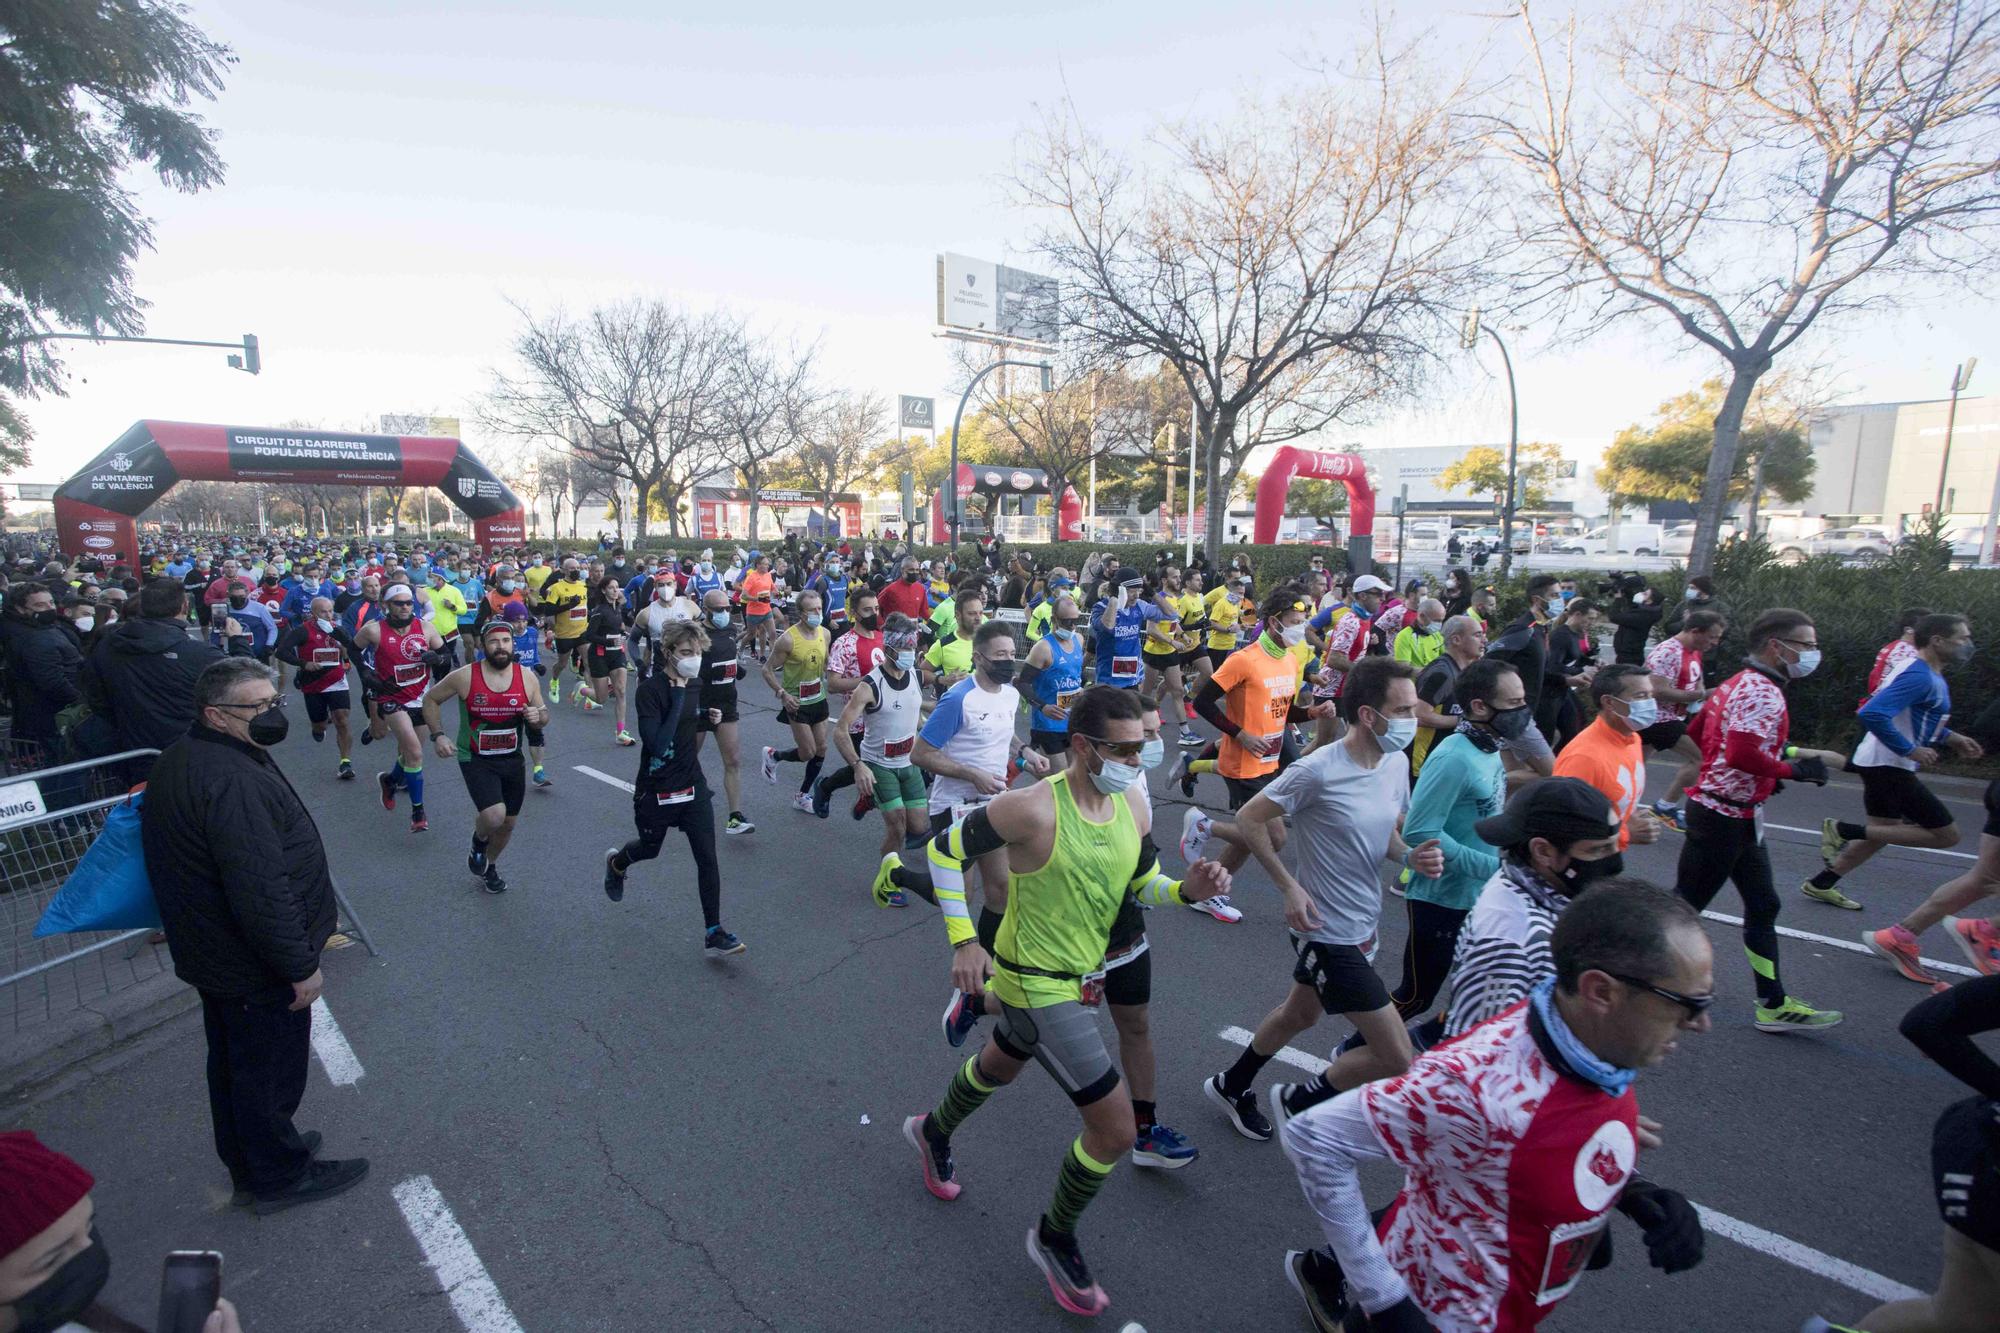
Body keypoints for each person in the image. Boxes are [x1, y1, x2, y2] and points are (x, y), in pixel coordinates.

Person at [899, 686, 1232, 1317]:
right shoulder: (1029, 809)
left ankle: (931, 1129)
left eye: (1144, 745)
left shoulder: (1131, 800)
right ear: (1083, 746)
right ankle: (1054, 1237)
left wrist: (1186, 892)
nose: (1140, 758)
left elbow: (1141, 887)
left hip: (1085, 976)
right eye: (1126, 748)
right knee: (1113, 1127)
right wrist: (966, 941)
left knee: (1002, 1062)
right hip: (1032, 979)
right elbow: (944, 853)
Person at [1278, 879, 1709, 1332]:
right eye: (1687, 1004)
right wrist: (1385, 1300)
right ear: (1601, 991)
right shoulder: (1475, 1083)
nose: (1701, 1023)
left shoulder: (1599, 1043)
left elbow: (1551, 1133)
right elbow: (1314, 1137)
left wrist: (1633, 1191)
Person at [140, 658, 369, 1212]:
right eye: (258, 708)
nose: (271, 715)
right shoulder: (230, 777)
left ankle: (254, 1156)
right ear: (216, 715)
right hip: (250, 961)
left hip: (217, 952)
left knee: (236, 1066)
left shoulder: (195, 756)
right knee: (266, 1073)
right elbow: (259, 885)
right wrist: (298, 965)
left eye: (275, 703)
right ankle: (278, 1174)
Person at [1204, 657, 1444, 1142]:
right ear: (1370, 716)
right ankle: (1303, 1100)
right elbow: (1251, 818)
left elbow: (1385, 836)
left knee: (1300, 1014)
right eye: (1402, 710)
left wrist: (1409, 857)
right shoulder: (1318, 769)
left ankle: (1233, 1084)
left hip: (1364, 923)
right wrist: (1289, 887)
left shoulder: (1394, 763)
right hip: (1324, 929)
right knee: (1398, 1056)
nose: (1412, 719)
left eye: (1414, 708)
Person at [1673, 607, 1846, 1032]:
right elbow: (1739, 753)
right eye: (1807, 645)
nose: (1813, 653)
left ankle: (1772, 1002)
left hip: (1739, 813)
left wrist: (1768, 771)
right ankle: (1629, 977)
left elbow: (1701, 737)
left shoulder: (1735, 683)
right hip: (1720, 817)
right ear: (1776, 646)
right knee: (1680, 910)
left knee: (1763, 904)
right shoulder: (1762, 691)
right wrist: (1789, 770)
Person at [1804, 975, 2000, 1333]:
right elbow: (1927, 1025)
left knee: (1956, 1318)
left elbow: (1929, 1023)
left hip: (1976, 1152)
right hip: (1986, 1168)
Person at [1814, 614, 1984, 919]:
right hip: (1889, 764)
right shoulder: (1919, 675)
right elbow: (1872, 713)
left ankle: (1821, 883)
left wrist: (1951, 737)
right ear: (1937, 641)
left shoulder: (1928, 673)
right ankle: (1841, 830)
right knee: (1947, 836)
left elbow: (1913, 719)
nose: (1967, 645)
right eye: (1963, 638)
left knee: (1885, 832)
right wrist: (1910, 749)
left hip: (1884, 761)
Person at [1393, 658, 1525, 1023]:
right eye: (1514, 704)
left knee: (1480, 995)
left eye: (1522, 701)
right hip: (1441, 898)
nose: (1523, 711)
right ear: (1480, 707)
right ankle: (1353, 1052)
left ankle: (1430, 1046)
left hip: (1482, 893)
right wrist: (1491, 866)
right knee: (1416, 997)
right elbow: (1420, 831)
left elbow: (1485, 811)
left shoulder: (1489, 746)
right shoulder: (1453, 757)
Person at [1441, 778, 1625, 1039]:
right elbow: (1478, 1049)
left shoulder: (1548, 889)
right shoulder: (1508, 942)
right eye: (1599, 850)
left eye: (1616, 846)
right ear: (1543, 851)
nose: (1615, 863)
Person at [603, 620, 744, 954]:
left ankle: (714, 930)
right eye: (685, 652)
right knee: (650, 849)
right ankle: (617, 864)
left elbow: (684, 723)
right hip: (656, 786)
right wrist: (680, 694)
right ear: (667, 652)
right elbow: (656, 742)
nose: (693, 658)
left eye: (696, 652)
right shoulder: (650, 691)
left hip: (691, 784)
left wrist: (703, 718)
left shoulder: (695, 683)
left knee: (707, 858)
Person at [423, 619, 550, 895]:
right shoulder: (466, 676)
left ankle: (490, 867)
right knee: (494, 816)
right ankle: (479, 840)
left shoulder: (526, 676)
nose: (500, 647)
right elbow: (430, 699)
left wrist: (536, 717)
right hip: (476, 757)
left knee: (508, 824)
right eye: (494, 641)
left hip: (512, 758)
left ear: (512, 644)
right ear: (482, 645)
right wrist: (438, 735)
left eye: (505, 641)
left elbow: (543, 716)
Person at [835, 614, 927, 872]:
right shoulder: (869, 686)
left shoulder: (917, 677)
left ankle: (870, 798)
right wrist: (857, 766)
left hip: (909, 762)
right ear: (888, 649)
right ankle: (888, 878)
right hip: (879, 764)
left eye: (913, 647)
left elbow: (915, 712)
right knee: (897, 827)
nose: (911, 653)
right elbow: (840, 731)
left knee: (918, 827)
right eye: (905, 648)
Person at [353, 584, 446, 833]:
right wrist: (365, 672)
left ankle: (391, 779)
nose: (405, 607)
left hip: (421, 698)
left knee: (410, 754)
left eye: (408, 603)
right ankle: (418, 812)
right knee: (415, 753)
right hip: (391, 698)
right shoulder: (373, 630)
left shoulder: (425, 628)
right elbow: (353, 650)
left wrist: (437, 659)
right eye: (399, 603)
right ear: (386, 604)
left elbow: (445, 654)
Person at [1553, 664, 1664, 850]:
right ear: (1609, 702)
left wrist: (1629, 815)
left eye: (1650, 695)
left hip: (1607, 855)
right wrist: (1625, 833)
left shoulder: (1632, 738)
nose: (1650, 703)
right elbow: (1563, 824)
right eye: (1640, 696)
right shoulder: (1583, 757)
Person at [1643, 610, 1725, 830]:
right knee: (1701, 758)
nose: (1715, 642)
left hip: (1672, 716)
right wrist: (1701, 696)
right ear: (1695, 631)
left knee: (1635, 765)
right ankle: (1664, 807)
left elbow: (1696, 680)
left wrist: (1699, 695)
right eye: (1712, 637)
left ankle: (1613, 805)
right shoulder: (1668, 651)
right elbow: (1656, 690)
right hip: (1657, 718)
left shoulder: (1693, 650)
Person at [760, 588, 832, 813]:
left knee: (821, 748)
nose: (817, 613)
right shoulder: (788, 639)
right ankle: (774, 755)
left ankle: (802, 796)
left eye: (819, 608)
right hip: (796, 702)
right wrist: (783, 694)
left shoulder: (825, 633)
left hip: (818, 698)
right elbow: (767, 670)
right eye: (812, 610)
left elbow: (826, 663)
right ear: (801, 613)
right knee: (807, 752)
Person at [272, 594, 357, 780]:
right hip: (313, 682)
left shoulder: (337, 629)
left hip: (336, 679)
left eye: (330, 611)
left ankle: (345, 763)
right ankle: (318, 728)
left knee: (342, 720)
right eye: (323, 612)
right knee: (319, 724)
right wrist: (303, 664)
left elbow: (351, 646)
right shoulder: (302, 631)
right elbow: (281, 652)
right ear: (313, 614)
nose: (328, 615)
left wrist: (345, 655)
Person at [689, 588, 753, 834]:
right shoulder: (695, 634)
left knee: (734, 760)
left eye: (728, 609)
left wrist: (737, 669)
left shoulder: (730, 630)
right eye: (719, 610)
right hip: (699, 705)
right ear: (706, 610)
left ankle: (735, 817)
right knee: (688, 757)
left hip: (726, 705)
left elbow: (727, 658)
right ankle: (682, 796)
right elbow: (685, 668)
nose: (725, 613)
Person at [0, 583, 82, 762]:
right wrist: (80, 700)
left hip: (47, 711)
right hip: (54, 714)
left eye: (51, 602)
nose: (49, 608)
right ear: (21, 609)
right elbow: (52, 681)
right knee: (65, 764)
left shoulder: (44, 629)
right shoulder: (33, 638)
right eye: (40, 605)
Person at [1409, 612, 1488, 777]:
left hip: (1444, 757)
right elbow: (1419, 716)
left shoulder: (1462, 670)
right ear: (1456, 640)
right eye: (1477, 635)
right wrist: (1463, 720)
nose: (1484, 641)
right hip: (1424, 762)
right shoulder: (1442, 674)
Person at [1019, 594, 1087, 759]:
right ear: (1054, 619)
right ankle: (1024, 762)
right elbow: (1022, 683)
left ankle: (1023, 762)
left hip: (1071, 721)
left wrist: (1083, 689)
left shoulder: (1079, 639)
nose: (1071, 626)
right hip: (1048, 724)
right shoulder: (1043, 647)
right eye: (1066, 621)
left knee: (1074, 775)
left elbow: (1075, 673)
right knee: (1058, 777)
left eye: (1075, 621)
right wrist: (1043, 707)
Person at [582, 574, 634, 743]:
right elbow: (589, 635)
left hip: (617, 653)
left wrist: (622, 633)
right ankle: (583, 690)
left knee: (621, 690)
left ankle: (620, 732)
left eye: (617, 587)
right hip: (599, 655)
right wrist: (608, 640)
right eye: (611, 587)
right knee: (601, 698)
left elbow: (615, 628)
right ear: (604, 590)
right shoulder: (599, 611)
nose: (615, 590)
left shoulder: (617, 608)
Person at [539, 557, 590, 705]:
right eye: (572, 569)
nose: (576, 571)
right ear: (564, 571)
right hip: (565, 634)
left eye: (578, 568)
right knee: (562, 663)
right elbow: (548, 610)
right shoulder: (556, 588)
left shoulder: (583, 586)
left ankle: (589, 694)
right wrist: (568, 605)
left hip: (582, 631)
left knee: (588, 662)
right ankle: (554, 681)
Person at [1605, 574, 1663, 665]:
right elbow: (1631, 604)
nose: (1641, 594)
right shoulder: (1644, 611)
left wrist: (1618, 599)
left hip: (1629, 658)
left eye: (1645, 594)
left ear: (1650, 601)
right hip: (1628, 655)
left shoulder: (1643, 616)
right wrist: (1625, 588)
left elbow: (1614, 617)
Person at [1390, 598, 1446, 671]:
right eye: (1436, 621)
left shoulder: (1437, 634)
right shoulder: (1404, 636)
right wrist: (1431, 672)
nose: (1439, 624)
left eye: (1441, 621)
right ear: (1422, 616)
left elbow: (1446, 658)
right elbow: (1404, 669)